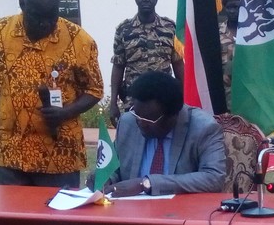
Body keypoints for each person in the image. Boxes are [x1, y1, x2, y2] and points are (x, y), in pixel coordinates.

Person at [0, 0, 104, 188]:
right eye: (38, 17)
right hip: (12, 155)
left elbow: (95, 90)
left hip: (60, 157)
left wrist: (65, 112)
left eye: (52, 17)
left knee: (59, 221)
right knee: (15, 221)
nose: (45, 24)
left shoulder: (80, 40)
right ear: (22, 5)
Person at [88, 71, 226, 196]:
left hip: (178, 214)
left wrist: (146, 184)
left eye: (148, 119)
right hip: (130, 213)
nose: (141, 123)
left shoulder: (203, 128)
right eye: (137, 114)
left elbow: (214, 178)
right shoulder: (128, 122)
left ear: (173, 115)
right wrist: (106, 178)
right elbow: (117, 167)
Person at [110, 0, 185, 126]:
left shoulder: (170, 28)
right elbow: (118, 66)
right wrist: (113, 102)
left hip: (164, 98)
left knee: (165, 141)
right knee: (135, 143)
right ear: (136, 0)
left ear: (156, 0)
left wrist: (184, 97)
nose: (146, 0)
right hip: (134, 100)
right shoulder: (124, 29)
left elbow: (178, 64)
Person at [218, 0, 240, 110]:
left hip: (246, 85)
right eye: (229, 7)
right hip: (224, 88)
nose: (232, 11)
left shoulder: (250, 33)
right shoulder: (217, 32)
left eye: (236, 7)